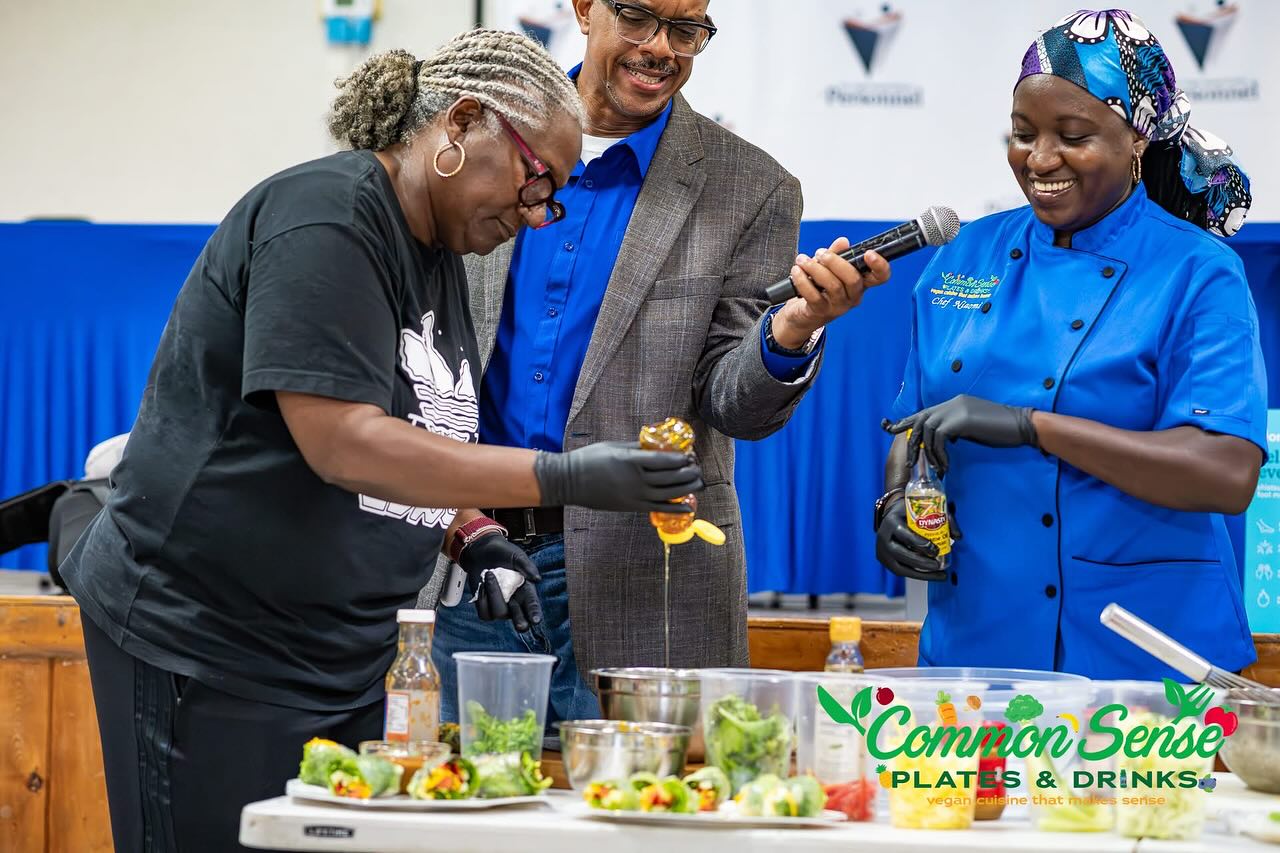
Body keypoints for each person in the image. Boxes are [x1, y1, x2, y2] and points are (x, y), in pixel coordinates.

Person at [59, 30, 704, 853]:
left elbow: (416, 431)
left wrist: (474, 532)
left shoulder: (437, 251)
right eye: (537, 178)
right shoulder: (324, 218)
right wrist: (565, 475)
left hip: (339, 658)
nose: (539, 213)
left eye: (556, 196)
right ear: (462, 123)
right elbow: (345, 442)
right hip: (212, 645)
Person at [426, 0, 892, 726]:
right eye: (640, 18)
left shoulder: (751, 188)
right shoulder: (483, 140)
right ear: (583, 9)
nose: (661, 49)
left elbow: (732, 404)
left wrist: (793, 329)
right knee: (468, 816)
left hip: (653, 578)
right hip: (471, 556)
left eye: (687, 30)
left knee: (652, 821)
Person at [876, 9, 1265, 680]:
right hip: (978, 646)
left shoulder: (1197, 271)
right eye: (1023, 134)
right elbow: (914, 428)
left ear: (1138, 139)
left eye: (1073, 135)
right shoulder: (964, 255)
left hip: (1142, 651)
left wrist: (1031, 426)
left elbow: (1225, 472)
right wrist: (894, 501)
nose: (1040, 158)